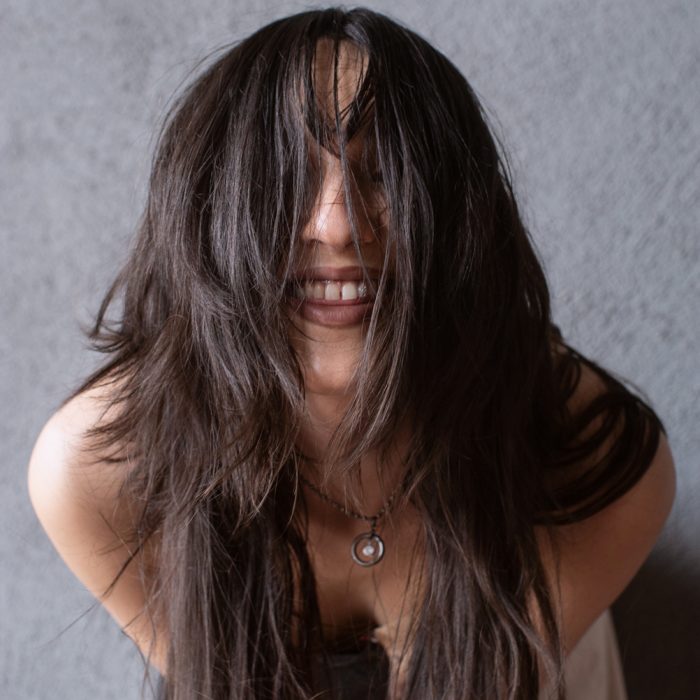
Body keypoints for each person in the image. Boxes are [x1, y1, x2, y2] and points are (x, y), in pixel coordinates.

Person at [27, 7, 676, 700]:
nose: (336, 227)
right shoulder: (96, 473)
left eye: (385, 173)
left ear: (463, 219)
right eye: (283, 176)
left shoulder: (594, 462)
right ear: (207, 216)